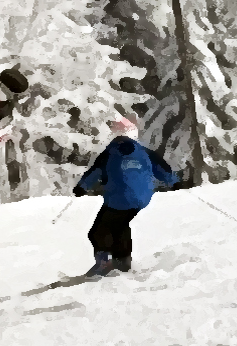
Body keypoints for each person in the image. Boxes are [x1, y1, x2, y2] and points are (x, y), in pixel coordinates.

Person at [73, 116, 179, 277]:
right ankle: (122, 263)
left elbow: (95, 172)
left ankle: (104, 263)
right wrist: (174, 182)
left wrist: (82, 187)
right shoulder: (144, 151)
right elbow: (162, 168)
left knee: (98, 231)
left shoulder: (110, 152)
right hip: (142, 198)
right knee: (120, 226)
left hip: (118, 200)